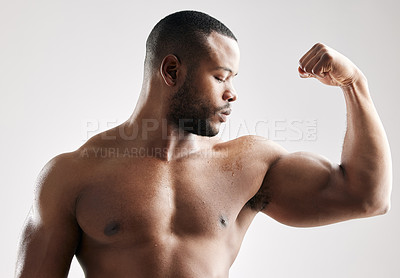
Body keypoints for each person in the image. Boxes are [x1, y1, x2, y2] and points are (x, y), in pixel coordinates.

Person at [15, 10, 392, 278]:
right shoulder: (73, 175)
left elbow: (367, 197)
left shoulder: (250, 165)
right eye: (221, 77)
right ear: (172, 71)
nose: (233, 94)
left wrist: (354, 84)